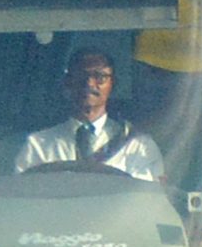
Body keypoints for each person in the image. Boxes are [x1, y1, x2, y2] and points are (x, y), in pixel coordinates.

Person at [14, 46, 163, 181]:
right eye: (80, 75)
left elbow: (146, 201)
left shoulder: (137, 146)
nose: (89, 83)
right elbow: (22, 199)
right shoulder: (38, 145)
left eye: (100, 77)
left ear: (113, 84)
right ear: (67, 81)